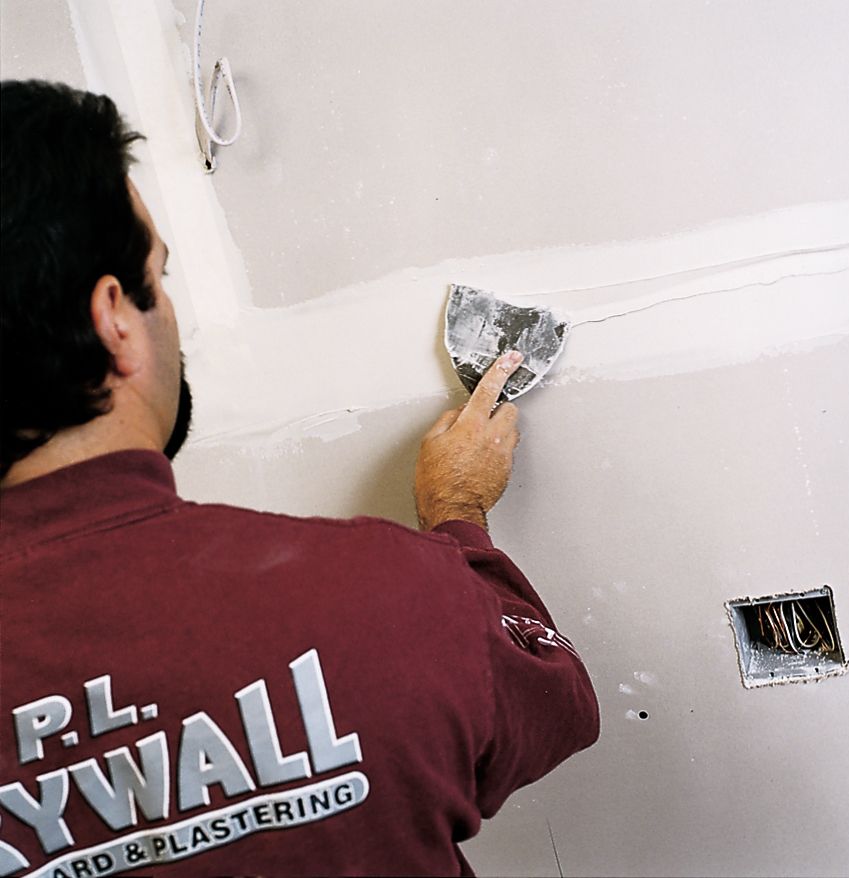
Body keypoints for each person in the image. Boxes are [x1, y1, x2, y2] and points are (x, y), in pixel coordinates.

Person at [0, 80, 599, 878]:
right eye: (162, 276)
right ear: (115, 319)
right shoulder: (380, 597)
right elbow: (556, 701)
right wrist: (458, 516)